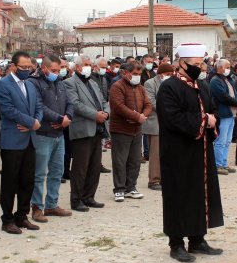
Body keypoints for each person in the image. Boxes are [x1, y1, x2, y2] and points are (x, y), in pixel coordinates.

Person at [158, 43, 224, 263]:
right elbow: (172, 118)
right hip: (178, 152)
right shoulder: (169, 87)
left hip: (201, 150)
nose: (200, 67)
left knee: (200, 193)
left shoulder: (202, 86)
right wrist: (204, 121)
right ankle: (176, 243)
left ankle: (197, 239)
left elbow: (212, 109)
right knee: (179, 195)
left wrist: (212, 120)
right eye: (196, 64)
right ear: (182, 63)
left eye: (201, 63)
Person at [0, 51, 44, 234]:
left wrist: (35, 123)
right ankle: (7, 219)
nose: (27, 70)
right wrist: (30, 122)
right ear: (14, 66)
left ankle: (22, 216)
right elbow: (8, 110)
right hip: (12, 141)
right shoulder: (3, 85)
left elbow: (38, 106)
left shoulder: (30, 85)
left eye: (30, 68)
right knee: (10, 182)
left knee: (27, 180)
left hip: (30, 140)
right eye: (23, 67)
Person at [26, 55, 74, 223]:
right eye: (53, 70)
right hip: (43, 135)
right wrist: (58, 119)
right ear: (44, 68)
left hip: (59, 135)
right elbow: (39, 106)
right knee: (39, 173)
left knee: (57, 171)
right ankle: (37, 207)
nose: (56, 73)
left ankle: (52, 204)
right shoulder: (33, 83)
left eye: (58, 70)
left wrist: (67, 117)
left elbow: (70, 102)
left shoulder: (59, 82)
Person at [63, 55, 108, 212]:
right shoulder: (69, 83)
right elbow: (75, 104)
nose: (89, 67)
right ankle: (76, 200)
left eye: (90, 64)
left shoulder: (94, 83)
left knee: (94, 167)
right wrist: (95, 115)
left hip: (98, 129)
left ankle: (89, 197)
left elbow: (103, 101)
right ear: (78, 67)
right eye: (86, 64)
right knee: (80, 168)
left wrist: (106, 113)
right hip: (83, 129)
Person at [109, 62, 152, 202]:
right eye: (134, 74)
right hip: (121, 129)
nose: (137, 77)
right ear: (125, 73)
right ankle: (119, 189)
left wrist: (143, 116)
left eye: (139, 74)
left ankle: (131, 187)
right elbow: (118, 106)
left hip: (136, 129)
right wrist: (136, 116)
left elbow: (148, 104)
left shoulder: (140, 88)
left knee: (135, 160)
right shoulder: (117, 86)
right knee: (120, 161)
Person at [142, 63, 173, 191]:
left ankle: (165, 178)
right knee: (155, 154)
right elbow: (151, 102)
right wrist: (170, 109)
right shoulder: (150, 83)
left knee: (167, 153)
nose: (170, 76)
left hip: (169, 122)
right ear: (161, 74)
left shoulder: (172, 83)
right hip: (155, 123)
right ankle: (154, 180)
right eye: (168, 74)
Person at [210, 59, 237, 175]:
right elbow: (223, 96)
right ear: (220, 68)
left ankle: (224, 163)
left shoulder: (228, 79)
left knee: (227, 141)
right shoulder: (215, 81)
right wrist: (236, 103)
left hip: (231, 114)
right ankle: (217, 165)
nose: (229, 69)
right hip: (223, 113)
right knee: (220, 141)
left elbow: (235, 93)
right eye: (227, 67)